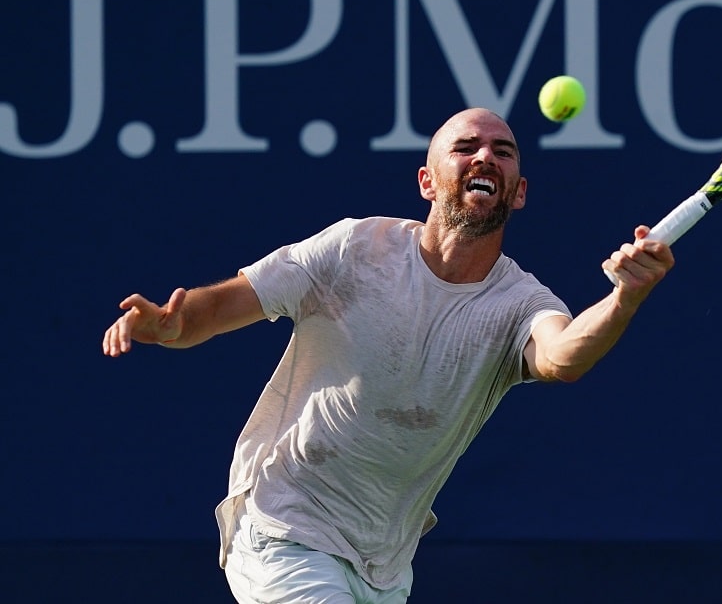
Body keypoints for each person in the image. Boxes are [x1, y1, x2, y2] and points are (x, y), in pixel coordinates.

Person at [102, 107, 674, 603]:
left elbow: (565, 354)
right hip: (284, 524)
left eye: (502, 152)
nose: (485, 158)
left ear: (518, 191)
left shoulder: (521, 303)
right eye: (466, 147)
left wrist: (625, 297)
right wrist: (171, 326)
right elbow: (220, 309)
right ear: (428, 180)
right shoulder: (352, 249)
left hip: (384, 568)